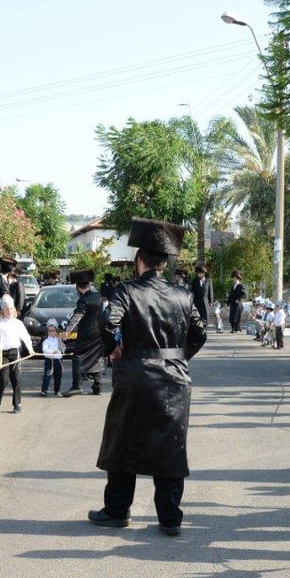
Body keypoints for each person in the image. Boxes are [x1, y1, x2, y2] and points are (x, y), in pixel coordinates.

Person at [88, 218, 207, 536]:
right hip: (174, 377)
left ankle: (117, 511)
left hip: (135, 374)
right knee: (171, 445)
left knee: (123, 442)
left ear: (139, 260)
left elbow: (108, 322)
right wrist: (179, 358)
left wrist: (114, 349)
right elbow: (199, 332)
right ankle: (169, 518)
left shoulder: (126, 291)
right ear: (165, 264)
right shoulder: (184, 295)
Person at [62, 269, 105, 397]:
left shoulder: (83, 300)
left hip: (86, 334)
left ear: (77, 287)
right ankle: (98, 386)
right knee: (97, 357)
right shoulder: (98, 296)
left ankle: (77, 386)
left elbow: (77, 316)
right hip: (99, 333)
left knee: (78, 357)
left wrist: (67, 331)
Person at [0, 295, 33, 414]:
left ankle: (17, 404)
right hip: (3, 353)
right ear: (2, 311)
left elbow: (25, 337)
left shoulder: (18, 324)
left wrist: (30, 349)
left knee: (16, 379)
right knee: (3, 380)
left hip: (15, 353)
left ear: (14, 310)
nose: (9, 311)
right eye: (6, 309)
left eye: (11, 309)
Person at [41, 320, 65, 397]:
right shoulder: (46, 341)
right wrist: (51, 352)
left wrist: (61, 348)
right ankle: (44, 390)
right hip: (49, 360)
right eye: (49, 331)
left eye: (53, 330)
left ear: (56, 331)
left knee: (58, 375)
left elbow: (63, 348)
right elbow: (44, 350)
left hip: (58, 360)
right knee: (47, 375)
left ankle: (57, 390)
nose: (51, 332)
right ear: (47, 332)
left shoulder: (58, 340)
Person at [190, 266, 215, 332]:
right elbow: (192, 292)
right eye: (198, 273)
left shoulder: (208, 280)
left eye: (200, 273)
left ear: (203, 274)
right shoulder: (194, 281)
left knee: (205, 316)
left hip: (205, 301)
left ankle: (204, 329)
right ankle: (198, 329)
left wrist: (211, 301)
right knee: (197, 316)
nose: (199, 275)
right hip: (197, 302)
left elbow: (210, 291)